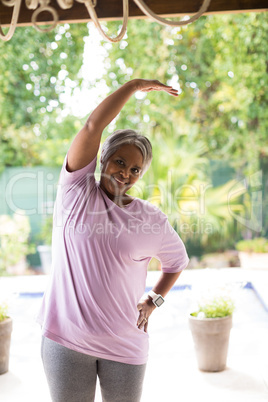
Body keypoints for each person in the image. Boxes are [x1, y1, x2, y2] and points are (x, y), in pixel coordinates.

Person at [37, 78, 189, 402]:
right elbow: (94, 124)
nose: (125, 173)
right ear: (103, 157)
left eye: (135, 169)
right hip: (67, 341)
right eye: (120, 162)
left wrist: (153, 301)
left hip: (125, 346)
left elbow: (178, 261)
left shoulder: (151, 219)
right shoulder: (76, 192)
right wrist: (134, 86)